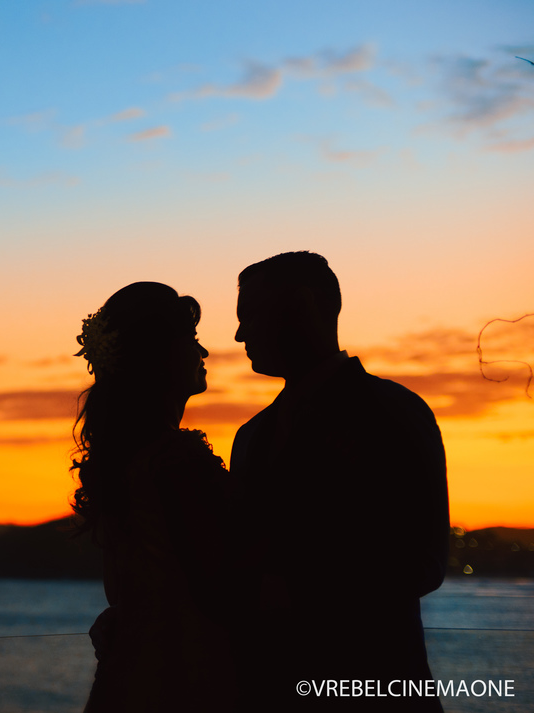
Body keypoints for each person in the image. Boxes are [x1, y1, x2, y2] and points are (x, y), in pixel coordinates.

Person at [230, 251, 449, 711]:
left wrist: (291, 593)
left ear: (304, 303)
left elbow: (423, 561)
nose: (239, 334)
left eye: (250, 315)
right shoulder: (250, 436)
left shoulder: (395, 412)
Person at [73, 282, 237, 711]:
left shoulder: (124, 459)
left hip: (130, 676)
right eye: (193, 341)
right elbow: (221, 586)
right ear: (159, 356)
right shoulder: (174, 462)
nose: (203, 355)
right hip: (184, 681)